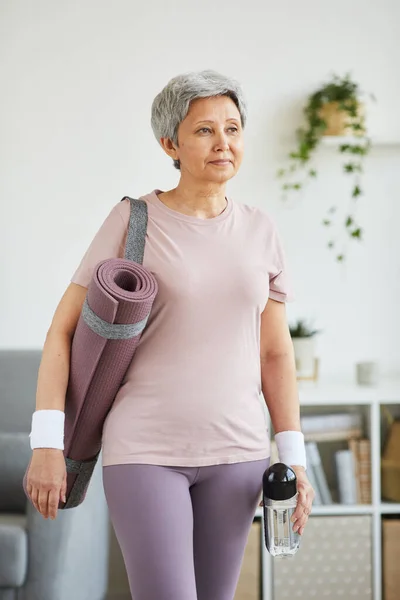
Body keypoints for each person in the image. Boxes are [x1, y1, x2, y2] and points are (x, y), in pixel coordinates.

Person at [26, 69, 315, 600]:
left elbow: (274, 353)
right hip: (146, 452)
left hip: (240, 455)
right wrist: (46, 442)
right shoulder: (133, 220)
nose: (223, 142)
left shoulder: (261, 229)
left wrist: (293, 453)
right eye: (205, 130)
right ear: (170, 144)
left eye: (233, 128)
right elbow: (62, 331)